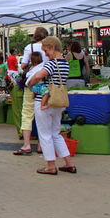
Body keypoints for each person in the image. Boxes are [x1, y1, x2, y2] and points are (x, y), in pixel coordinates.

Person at [26, 36, 76, 175]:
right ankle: (69, 163)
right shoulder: (65, 63)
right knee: (56, 134)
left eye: (46, 50)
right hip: (58, 102)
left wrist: (30, 84)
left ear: (52, 48)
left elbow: (38, 76)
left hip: (45, 101)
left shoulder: (51, 63)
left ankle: (50, 166)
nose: (45, 54)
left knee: (45, 134)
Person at [14, 27, 49, 155]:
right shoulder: (49, 47)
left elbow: (23, 65)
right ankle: (41, 145)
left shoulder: (30, 47)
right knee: (43, 113)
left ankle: (27, 145)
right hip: (46, 84)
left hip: (32, 84)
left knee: (27, 113)